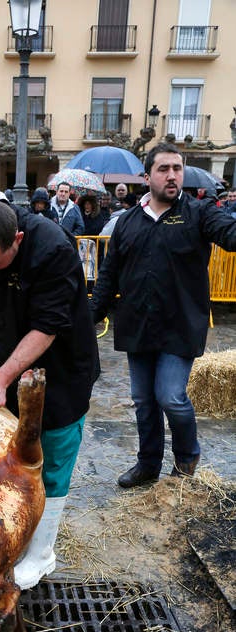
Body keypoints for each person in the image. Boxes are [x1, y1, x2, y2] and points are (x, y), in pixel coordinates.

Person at [0, 200, 100, 590]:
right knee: (13, 456)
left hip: (62, 366)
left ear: (16, 240)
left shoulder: (53, 251)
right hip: (5, 352)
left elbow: (47, 328)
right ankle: (19, 528)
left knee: (51, 453)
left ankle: (43, 552)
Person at [90, 142, 236, 489]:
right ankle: (148, 464)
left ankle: (187, 457)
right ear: (147, 176)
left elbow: (230, 235)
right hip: (138, 325)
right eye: (164, 169)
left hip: (180, 325)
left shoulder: (200, 213)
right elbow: (109, 275)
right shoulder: (126, 222)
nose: (172, 176)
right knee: (143, 400)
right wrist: (88, 317)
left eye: (177, 168)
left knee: (170, 395)